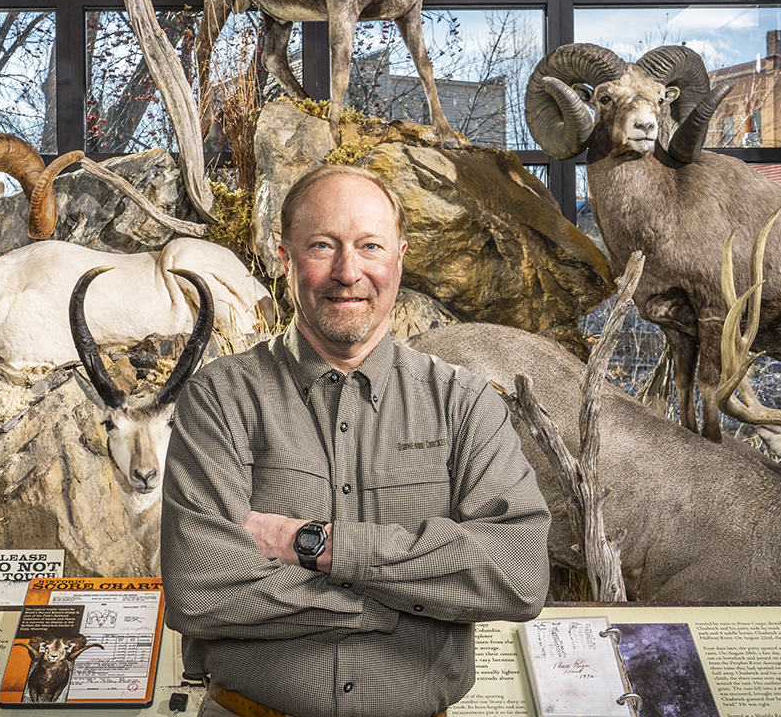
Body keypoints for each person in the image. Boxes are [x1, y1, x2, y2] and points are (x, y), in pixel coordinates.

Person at [161, 165, 551, 717]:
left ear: (400, 256)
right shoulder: (220, 397)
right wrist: (393, 598)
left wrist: (318, 546)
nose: (349, 272)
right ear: (284, 257)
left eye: (370, 246)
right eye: (322, 245)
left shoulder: (465, 403)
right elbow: (199, 590)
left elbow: (519, 573)